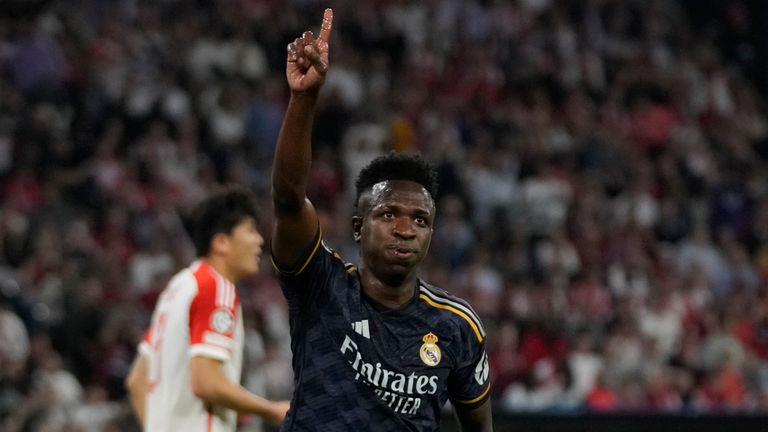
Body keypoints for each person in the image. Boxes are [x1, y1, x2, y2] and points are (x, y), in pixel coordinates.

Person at [271, 9, 493, 431]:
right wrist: (304, 99)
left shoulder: (456, 325)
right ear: (358, 227)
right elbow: (287, 199)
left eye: (420, 220)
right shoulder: (322, 286)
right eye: (389, 214)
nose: (406, 229)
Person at [125, 188, 289, 431]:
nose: (259, 240)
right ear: (221, 242)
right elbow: (206, 381)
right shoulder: (215, 287)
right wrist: (271, 409)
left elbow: (137, 382)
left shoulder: (178, 288)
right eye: (250, 230)